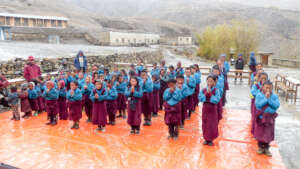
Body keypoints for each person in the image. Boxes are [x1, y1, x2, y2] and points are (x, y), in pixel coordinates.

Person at [255, 80, 280, 156]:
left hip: (270, 118)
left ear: (272, 88)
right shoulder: (259, 95)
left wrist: (269, 99)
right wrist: (265, 98)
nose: (268, 89)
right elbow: (258, 105)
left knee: (268, 133)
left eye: (270, 88)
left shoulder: (274, 96)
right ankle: (260, 147)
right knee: (260, 132)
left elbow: (276, 105)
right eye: (266, 87)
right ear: (262, 88)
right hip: (261, 117)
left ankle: (266, 148)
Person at [199, 75, 221, 146]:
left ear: (214, 82)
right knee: (205, 123)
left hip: (212, 110)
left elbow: (216, 100)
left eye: (211, 81)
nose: (209, 83)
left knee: (211, 124)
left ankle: (211, 139)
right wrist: (206, 94)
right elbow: (200, 98)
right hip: (205, 109)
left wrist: (211, 94)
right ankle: (206, 138)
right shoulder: (203, 90)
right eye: (208, 81)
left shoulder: (216, 90)